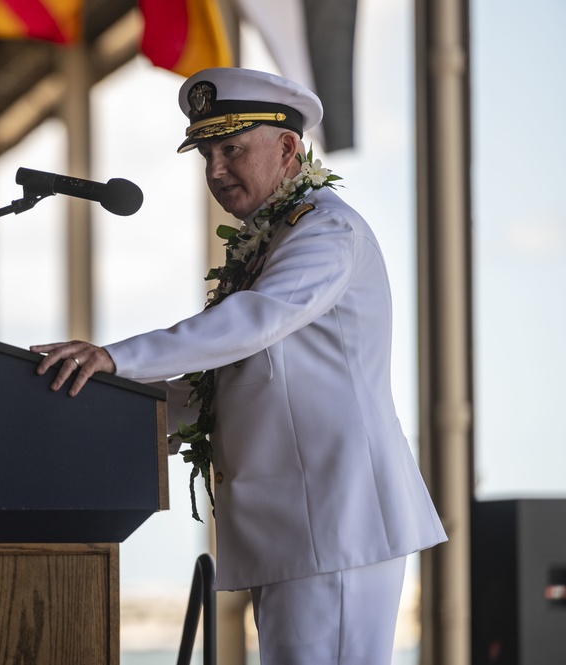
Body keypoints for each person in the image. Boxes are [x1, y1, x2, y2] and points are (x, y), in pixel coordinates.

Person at [30, 68, 447, 664]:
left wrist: (114, 358)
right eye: (207, 154)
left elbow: (254, 322)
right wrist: (92, 411)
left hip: (334, 519)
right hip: (296, 526)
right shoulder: (266, 245)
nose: (216, 171)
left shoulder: (326, 230)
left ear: (287, 147)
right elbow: (223, 383)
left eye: (231, 149)